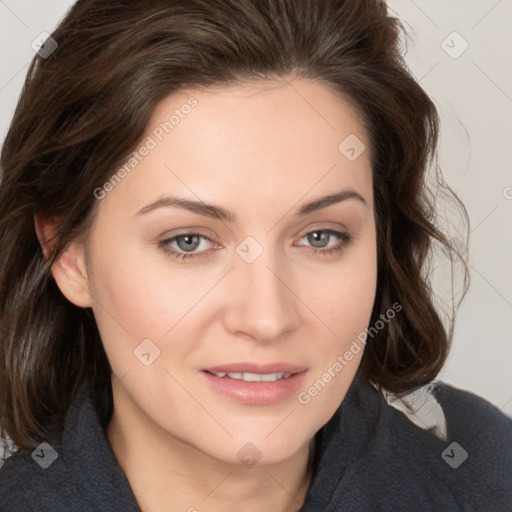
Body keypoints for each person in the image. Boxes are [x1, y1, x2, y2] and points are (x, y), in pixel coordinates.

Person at [0, 1, 510, 511]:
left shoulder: (486, 480)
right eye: (188, 241)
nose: (267, 318)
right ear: (68, 254)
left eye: (320, 237)